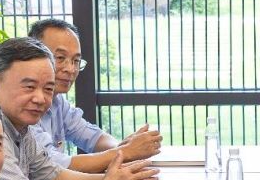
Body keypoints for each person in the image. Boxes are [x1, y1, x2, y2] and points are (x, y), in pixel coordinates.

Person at [0, 36, 159, 180]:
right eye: (29, 87)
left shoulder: (19, 123)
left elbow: (54, 178)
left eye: (48, 89)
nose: (40, 98)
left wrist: (120, 179)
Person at [29, 17, 163, 169]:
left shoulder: (58, 102)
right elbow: (52, 166)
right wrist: (124, 152)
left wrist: (123, 148)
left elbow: (91, 136)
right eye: (60, 58)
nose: (71, 69)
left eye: (76, 61)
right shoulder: (23, 107)